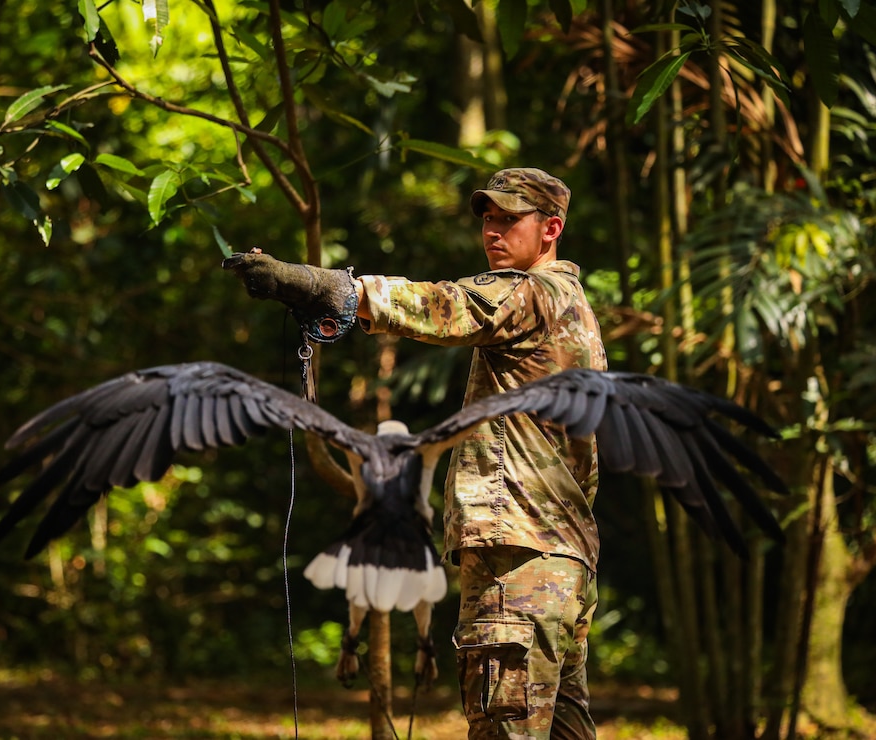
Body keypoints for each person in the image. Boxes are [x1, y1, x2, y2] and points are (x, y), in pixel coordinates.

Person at [225, 167, 607, 740]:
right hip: (561, 559)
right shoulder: (574, 305)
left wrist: (333, 291)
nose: (493, 231)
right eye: (487, 218)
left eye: (510, 219)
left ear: (551, 228)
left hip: (519, 562)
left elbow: (447, 306)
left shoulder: (534, 293)